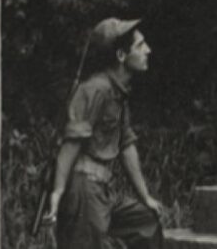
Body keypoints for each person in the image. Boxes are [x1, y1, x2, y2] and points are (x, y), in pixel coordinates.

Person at [48, 17, 164, 249]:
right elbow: (71, 143)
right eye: (140, 45)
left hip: (104, 190)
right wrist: (57, 192)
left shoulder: (118, 93)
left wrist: (145, 197)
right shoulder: (95, 89)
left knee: (146, 224)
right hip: (84, 189)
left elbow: (126, 146)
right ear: (121, 55)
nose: (148, 50)